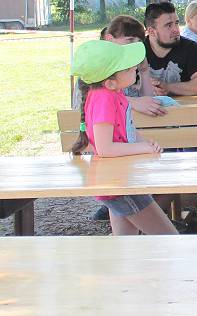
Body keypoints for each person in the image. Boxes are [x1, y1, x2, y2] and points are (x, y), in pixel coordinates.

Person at [69, 40, 178, 236]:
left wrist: (144, 143)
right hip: (118, 184)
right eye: (127, 68)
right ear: (110, 82)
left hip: (121, 180)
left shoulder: (114, 94)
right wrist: (143, 148)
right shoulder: (104, 99)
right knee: (169, 238)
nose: (134, 67)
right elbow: (105, 148)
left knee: (125, 244)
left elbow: (125, 131)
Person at [142, 2, 197, 97]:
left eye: (176, 23)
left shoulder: (190, 48)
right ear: (151, 31)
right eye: (169, 25)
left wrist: (168, 88)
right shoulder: (137, 51)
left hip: (183, 106)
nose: (176, 30)